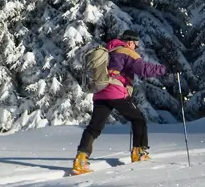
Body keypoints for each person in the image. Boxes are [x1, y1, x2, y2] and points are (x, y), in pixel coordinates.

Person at [72, 30, 167, 175]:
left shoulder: (109, 50)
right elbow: (145, 70)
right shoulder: (126, 51)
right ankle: (139, 152)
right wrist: (166, 69)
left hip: (100, 92)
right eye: (136, 44)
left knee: (94, 127)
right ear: (130, 42)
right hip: (115, 92)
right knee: (138, 119)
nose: (136, 47)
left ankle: (81, 159)